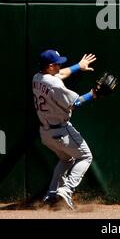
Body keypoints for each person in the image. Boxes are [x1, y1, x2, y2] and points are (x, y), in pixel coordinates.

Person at [32, 49, 97, 210]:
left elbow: (60, 75)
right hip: (61, 131)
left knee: (66, 159)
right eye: (57, 63)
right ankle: (66, 191)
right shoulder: (54, 83)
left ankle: (51, 194)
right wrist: (94, 93)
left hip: (45, 133)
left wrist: (79, 66)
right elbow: (76, 103)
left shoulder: (37, 77)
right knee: (85, 157)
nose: (60, 65)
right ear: (50, 66)